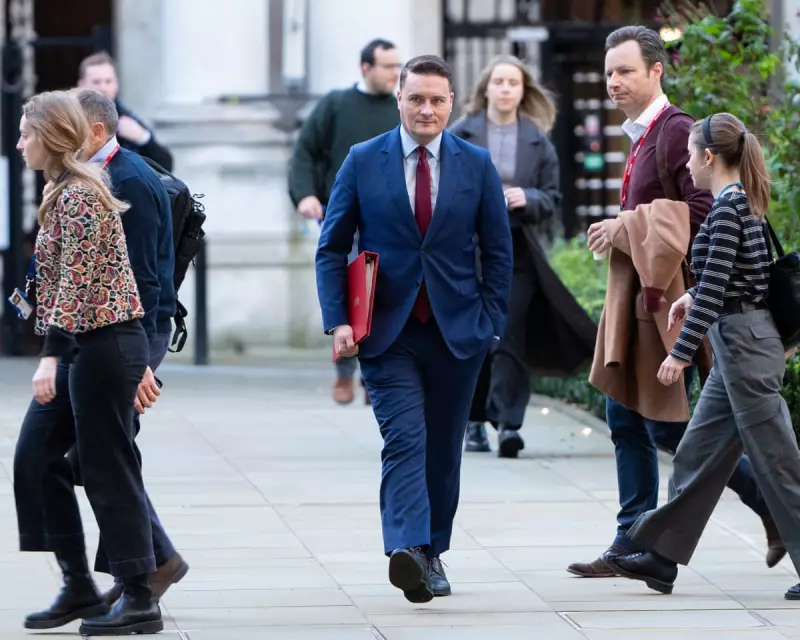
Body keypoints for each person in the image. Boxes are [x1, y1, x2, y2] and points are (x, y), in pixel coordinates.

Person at [567, 25, 784, 579]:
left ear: (656, 70)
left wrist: (625, 225)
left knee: (663, 426)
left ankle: (759, 509)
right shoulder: (644, 135)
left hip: (669, 306)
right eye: (609, 72)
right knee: (628, 417)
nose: (614, 81)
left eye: (625, 71)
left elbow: (707, 212)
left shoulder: (676, 131)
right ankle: (637, 542)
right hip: (649, 302)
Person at [315, 55, 512, 602]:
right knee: (405, 438)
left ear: (451, 103)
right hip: (387, 330)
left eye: (437, 100)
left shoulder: (476, 164)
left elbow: (499, 251)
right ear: (398, 98)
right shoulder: (363, 160)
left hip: (458, 331)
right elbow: (332, 247)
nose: (427, 109)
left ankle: (432, 552)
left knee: (443, 449)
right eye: (417, 98)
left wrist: (492, 323)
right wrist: (338, 320)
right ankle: (407, 546)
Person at [607, 112, 800, 600]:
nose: (688, 164)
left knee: (778, 462)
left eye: (692, 155)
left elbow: (716, 287)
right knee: (697, 452)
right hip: (739, 341)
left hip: (745, 346)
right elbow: (744, 276)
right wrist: (691, 297)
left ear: (709, 157)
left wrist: (680, 352)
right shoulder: (738, 203)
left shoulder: (729, 208)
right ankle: (661, 556)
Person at [12, 90, 162, 635]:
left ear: (52, 136)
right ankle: (78, 584)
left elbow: (74, 286)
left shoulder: (80, 196)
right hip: (84, 346)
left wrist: (50, 357)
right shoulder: (60, 189)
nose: (19, 143)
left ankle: (140, 597)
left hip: (103, 346)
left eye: (26, 133)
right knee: (35, 459)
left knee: (106, 469)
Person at [75, 88, 189, 604]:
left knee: (101, 453)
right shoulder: (89, 174)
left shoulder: (130, 181)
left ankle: (146, 566)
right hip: (109, 335)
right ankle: (143, 565)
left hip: (136, 332)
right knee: (100, 452)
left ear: (96, 131)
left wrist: (137, 361)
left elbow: (142, 280)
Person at [450, 54, 561, 457]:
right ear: (486, 88)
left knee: (510, 335)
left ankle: (509, 424)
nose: (505, 89)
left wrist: (526, 197)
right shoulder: (460, 134)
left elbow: (552, 198)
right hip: (467, 252)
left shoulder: (538, 140)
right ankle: (473, 421)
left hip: (517, 252)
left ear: (523, 91)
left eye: (513, 83)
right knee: (475, 337)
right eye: (499, 81)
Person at [289, 38, 401, 405]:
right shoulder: (336, 104)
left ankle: (374, 375)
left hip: (393, 216)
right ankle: (345, 368)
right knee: (354, 288)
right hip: (344, 213)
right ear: (366, 68)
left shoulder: (401, 108)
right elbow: (305, 151)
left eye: (398, 65)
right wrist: (305, 194)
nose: (395, 73)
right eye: (388, 66)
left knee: (387, 290)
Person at [77, 51, 173, 171]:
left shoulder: (127, 120)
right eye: (96, 82)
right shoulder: (70, 117)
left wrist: (144, 138)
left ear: (116, 84)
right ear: (81, 85)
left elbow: (166, 165)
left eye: (108, 81)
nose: (103, 88)